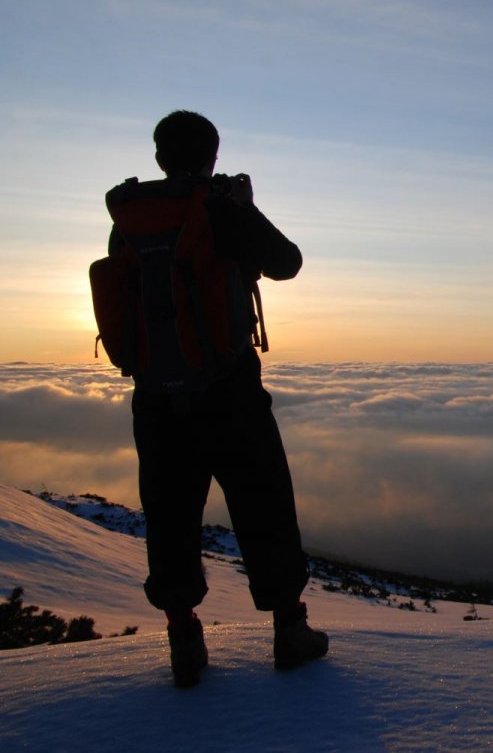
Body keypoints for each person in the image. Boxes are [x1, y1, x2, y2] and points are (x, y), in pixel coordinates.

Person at [111, 110, 327, 687]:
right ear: (211, 155)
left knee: (169, 515)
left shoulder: (130, 217)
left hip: (155, 397)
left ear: (159, 158)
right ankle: (289, 630)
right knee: (264, 507)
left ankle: (184, 639)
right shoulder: (220, 209)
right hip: (229, 392)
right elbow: (287, 263)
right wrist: (240, 206)